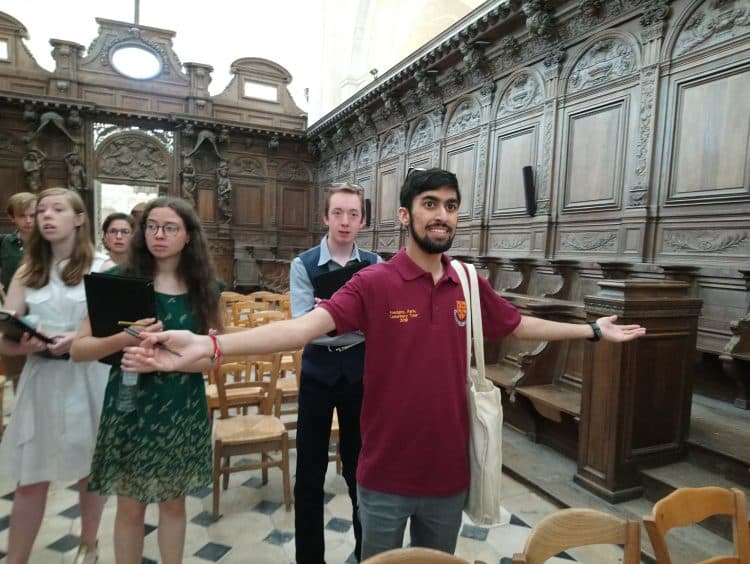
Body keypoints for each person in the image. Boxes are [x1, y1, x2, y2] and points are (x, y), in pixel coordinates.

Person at [122, 168, 646, 559]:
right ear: (405, 215)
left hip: (448, 471)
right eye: (430, 204)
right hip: (385, 472)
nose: (442, 215)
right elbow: (301, 328)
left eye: (451, 206)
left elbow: (515, 324)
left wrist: (593, 330)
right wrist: (211, 346)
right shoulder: (374, 282)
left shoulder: (466, 280)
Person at [70, 196, 222, 564]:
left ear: (188, 236)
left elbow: (215, 358)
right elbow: (79, 349)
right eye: (152, 226)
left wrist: (163, 364)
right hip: (130, 405)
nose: (159, 234)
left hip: (181, 405)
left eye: (170, 228)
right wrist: (126, 338)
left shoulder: (207, 288)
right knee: (130, 507)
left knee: (173, 504)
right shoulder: (118, 283)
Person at [0, 187, 109, 564]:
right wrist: (23, 345)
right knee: (31, 477)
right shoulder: (28, 271)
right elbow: (5, 338)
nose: (46, 216)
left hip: (87, 377)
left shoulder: (102, 267)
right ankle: (16, 558)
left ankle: (89, 545)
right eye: (41, 209)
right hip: (42, 377)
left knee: (90, 470)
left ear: (79, 218)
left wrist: (79, 339)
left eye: (57, 209)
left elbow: (113, 333)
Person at [290, 182, 381, 563]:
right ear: (326, 217)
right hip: (317, 373)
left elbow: (380, 325)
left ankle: (367, 553)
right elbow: (301, 324)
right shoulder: (304, 264)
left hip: (361, 374)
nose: (345, 222)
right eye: (338, 213)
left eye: (353, 214)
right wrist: (348, 321)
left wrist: (328, 314)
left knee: (362, 470)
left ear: (363, 221)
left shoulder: (375, 265)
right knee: (309, 473)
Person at [0, 191, 37, 392]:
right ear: (12, 217)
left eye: (33, 215)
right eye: (23, 216)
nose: (29, 221)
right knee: (17, 376)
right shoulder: (5, 243)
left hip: (41, 314)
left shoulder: (49, 244)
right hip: (15, 318)